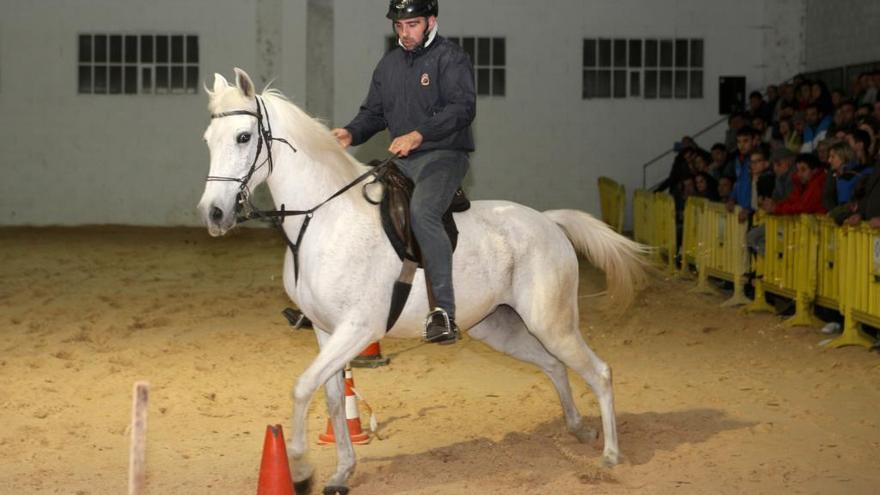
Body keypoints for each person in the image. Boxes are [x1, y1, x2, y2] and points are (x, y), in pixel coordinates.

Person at [331, 0, 475, 344]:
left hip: (443, 155)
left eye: (412, 25)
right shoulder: (389, 65)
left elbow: (462, 108)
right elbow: (374, 113)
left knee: (423, 213)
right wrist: (351, 132)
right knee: (357, 206)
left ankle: (442, 311)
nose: (404, 32)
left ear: (431, 21)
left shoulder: (450, 58)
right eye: (399, 26)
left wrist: (419, 134)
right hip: (401, 160)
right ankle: (337, 302)